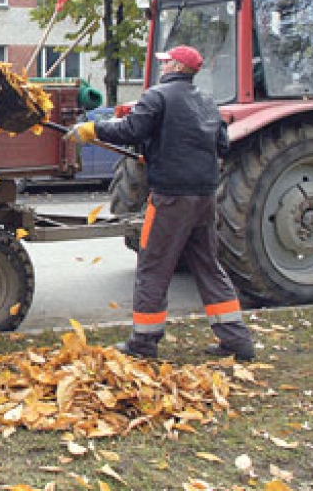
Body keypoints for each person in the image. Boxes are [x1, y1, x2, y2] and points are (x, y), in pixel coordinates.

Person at [69, 45, 255, 362]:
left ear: (176, 67)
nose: (163, 66)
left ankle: (143, 342)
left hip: (170, 198)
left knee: (153, 266)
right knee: (209, 266)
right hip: (205, 197)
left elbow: (132, 129)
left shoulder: (158, 96)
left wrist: (92, 129)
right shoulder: (208, 102)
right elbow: (220, 144)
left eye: (166, 62)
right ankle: (237, 341)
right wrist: (159, 150)